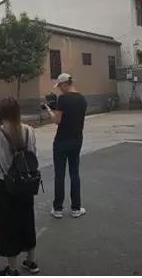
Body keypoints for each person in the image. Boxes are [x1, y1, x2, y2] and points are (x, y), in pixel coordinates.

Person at [0, 97, 39, 276]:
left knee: (8, 225)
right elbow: (33, 155)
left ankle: (12, 268)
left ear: (2, 113)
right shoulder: (29, 130)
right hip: (26, 182)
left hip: (5, 184)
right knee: (27, 219)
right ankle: (31, 262)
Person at [44, 73, 87, 219]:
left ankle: (58, 209)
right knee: (74, 173)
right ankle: (76, 208)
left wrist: (49, 110)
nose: (59, 89)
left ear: (65, 84)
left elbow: (57, 121)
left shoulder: (62, 99)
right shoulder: (82, 99)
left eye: (60, 86)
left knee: (60, 175)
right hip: (77, 140)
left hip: (61, 141)